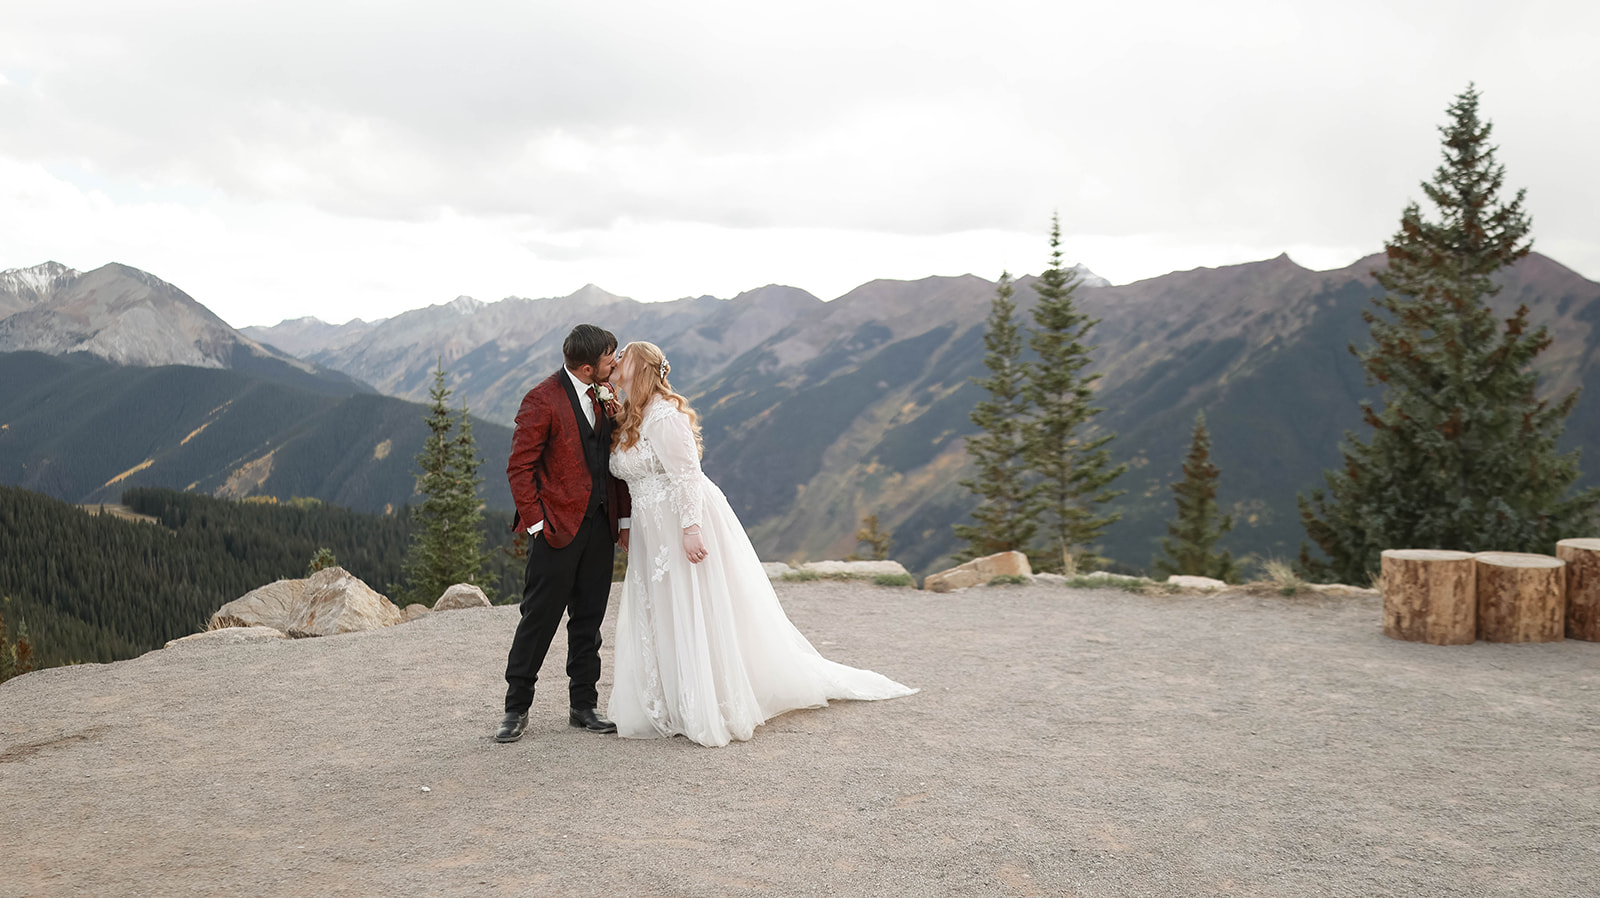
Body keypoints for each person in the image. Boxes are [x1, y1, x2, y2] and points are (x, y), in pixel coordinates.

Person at [605, 340, 916, 747]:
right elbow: (631, 481)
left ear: (642, 368)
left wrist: (691, 527)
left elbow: (686, 476)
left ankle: (706, 699)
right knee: (663, 608)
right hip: (651, 528)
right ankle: (672, 697)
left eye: (623, 356)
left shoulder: (664, 417)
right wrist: (628, 523)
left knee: (692, 603)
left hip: (679, 522)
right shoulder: (633, 414)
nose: (615, 361)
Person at [495, 324, 632, 743]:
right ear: (589, 368)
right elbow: (520, 467)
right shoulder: (541, 399)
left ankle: (583, 705)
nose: (617, 362)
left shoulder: (608, 396)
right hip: (555, 530)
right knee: (538, 619)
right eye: (611, 357)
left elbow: (617, 461)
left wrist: (622, 519)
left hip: (600, 527)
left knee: (589, 621)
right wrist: (537, 524)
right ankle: (516, 708)